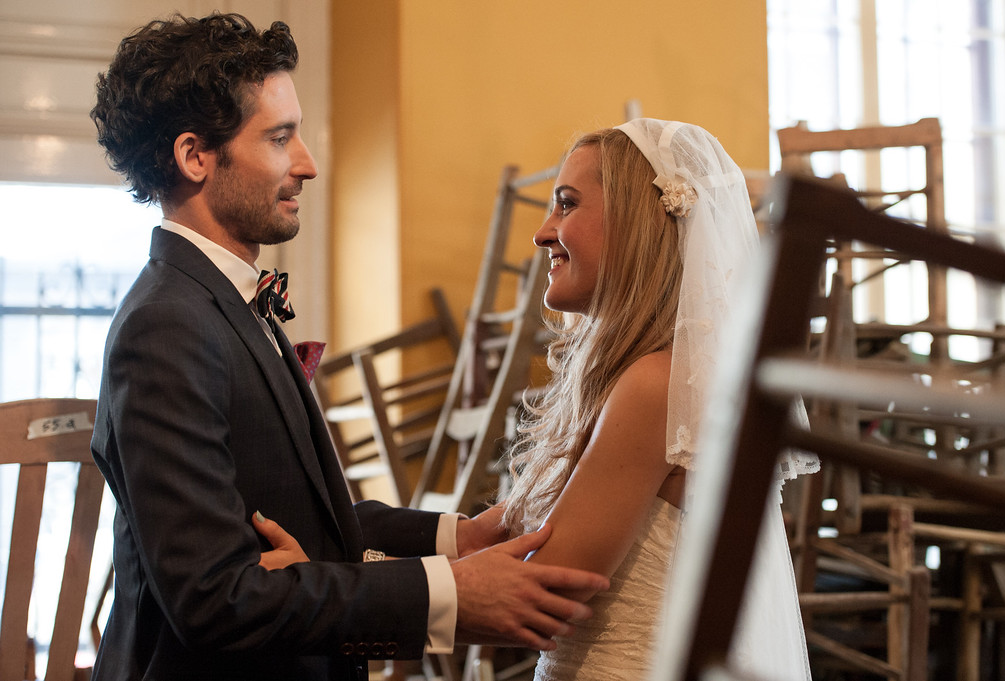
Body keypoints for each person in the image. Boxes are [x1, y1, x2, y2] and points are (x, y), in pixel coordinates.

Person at [88, 12, 607, 681]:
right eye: (280, 138)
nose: (307, 162)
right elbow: (215, 598)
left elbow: (302, 513)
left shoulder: (224, 305)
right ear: (195, 157)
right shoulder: (163, 327)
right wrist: (449, 596)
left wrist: (459, 537)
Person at [499, 119, 820, 680]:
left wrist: (374, 583)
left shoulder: (656, 386)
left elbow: (545, 586)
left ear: (636, 223)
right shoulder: (665, 374)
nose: (543, 232)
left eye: (566, 205)